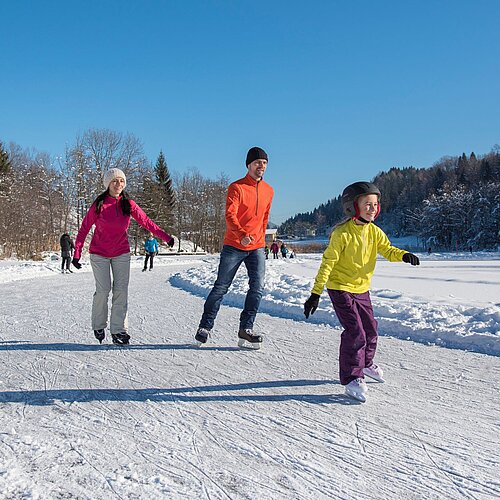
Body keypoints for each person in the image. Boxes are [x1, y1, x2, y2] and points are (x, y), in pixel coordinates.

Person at [303, 181, 420, 402]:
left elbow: (387, 249)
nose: (373, 209)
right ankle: (351, 377)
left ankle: (365, 364)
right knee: (355, 331)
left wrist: (403, 255)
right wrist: (316, 293)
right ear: (352, 207)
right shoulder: (342, 234)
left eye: (375, 204)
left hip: (361, 289)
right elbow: (327, 263)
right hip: (340, 288)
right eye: (367, 204)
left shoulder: (375, 232)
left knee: (371, 329)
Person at [72, 168, 175, 345]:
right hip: (99, 253)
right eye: (114, 181)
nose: (118, 184)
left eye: (121, 181)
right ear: (108, 184)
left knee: (121, 291)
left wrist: (166, 237)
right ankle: (98, 324)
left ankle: (118, 330)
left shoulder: (128, 204)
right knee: (103, 290)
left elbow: (146, 222)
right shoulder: (99, 204)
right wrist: (77, 253)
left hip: (121, 252)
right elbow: (84, 229)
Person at [195, 147, 274, 349]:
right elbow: (230, 215)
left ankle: (246, 329)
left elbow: (265, 218)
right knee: (221, 286)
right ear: (248, 165)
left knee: (257, 288)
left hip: (256, 247)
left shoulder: (269, 190)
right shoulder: (236, 187)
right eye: (257, 163)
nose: (261, 166)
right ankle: (205, 326)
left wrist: (260, 241)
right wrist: (241, 234)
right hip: (234, 245)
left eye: (264, 163)